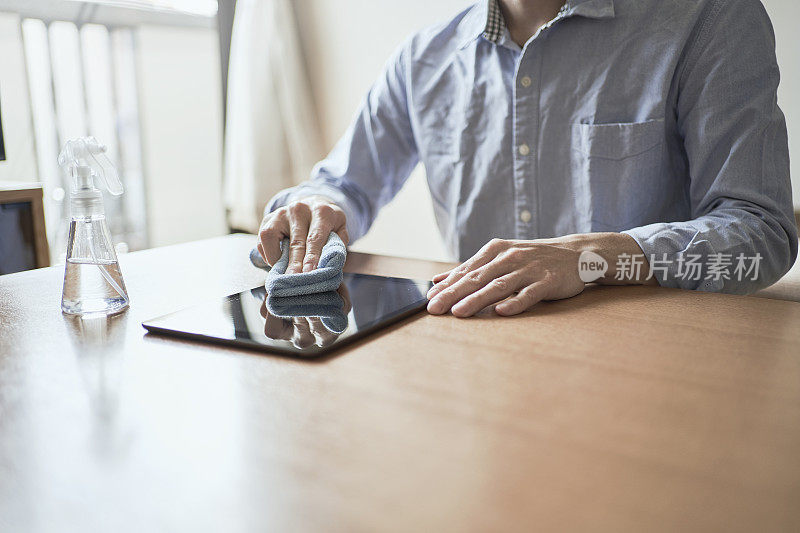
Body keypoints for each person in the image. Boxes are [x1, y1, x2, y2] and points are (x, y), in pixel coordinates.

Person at [256, 0, 797, 318]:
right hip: (483, 364)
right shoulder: (424, 58)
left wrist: (592, 257)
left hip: (659, 374)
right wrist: (316, 207)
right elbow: (342, 184)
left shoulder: (711, 18)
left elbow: (762, 233)